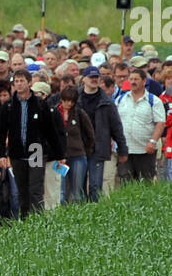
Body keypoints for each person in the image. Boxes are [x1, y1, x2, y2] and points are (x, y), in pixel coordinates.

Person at [0, 72, 61, 218]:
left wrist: (59, 154)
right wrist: (1, 154)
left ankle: (37, 222)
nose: (19, 84)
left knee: (36, 189)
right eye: (16, 81)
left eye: (22, 81)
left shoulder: (40, 103)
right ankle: (25, 222)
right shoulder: (8, 105)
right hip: (16, 152)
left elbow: (50, 130)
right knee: (22, 190)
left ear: (29, 83)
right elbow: (0, 132)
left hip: (36, 150)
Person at [76, 65, 128, 201]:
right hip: (78, 148)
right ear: (84, 79)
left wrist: (123, 149)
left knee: (95, 185)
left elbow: (116, 127)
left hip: (98, 148)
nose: (94, 80)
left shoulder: (107, 102)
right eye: (91, 77)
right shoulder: (75, 99)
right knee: (78, 186)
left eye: (96, 77)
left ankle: (94, 213)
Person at [114, 68, 166, 183]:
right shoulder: (120, 99)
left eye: (136, 79)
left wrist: (153, 141)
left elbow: (160, 123)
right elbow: (114, 122)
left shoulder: (154, 101)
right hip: (125, 150)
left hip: (145, 150)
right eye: (131, 79)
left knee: (145, 183)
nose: (133, 82)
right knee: (126, 183)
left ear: (144, 81)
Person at [56, 86, 94, 203]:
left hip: (77, 156)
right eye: (66, 100)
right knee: (60, 192)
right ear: (61, 99)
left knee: (76, 193)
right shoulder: (54, 112)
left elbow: (90, 135)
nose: (69, 103)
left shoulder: (79, 113)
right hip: (59, 158)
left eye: (71, 101)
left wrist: (84, 150)